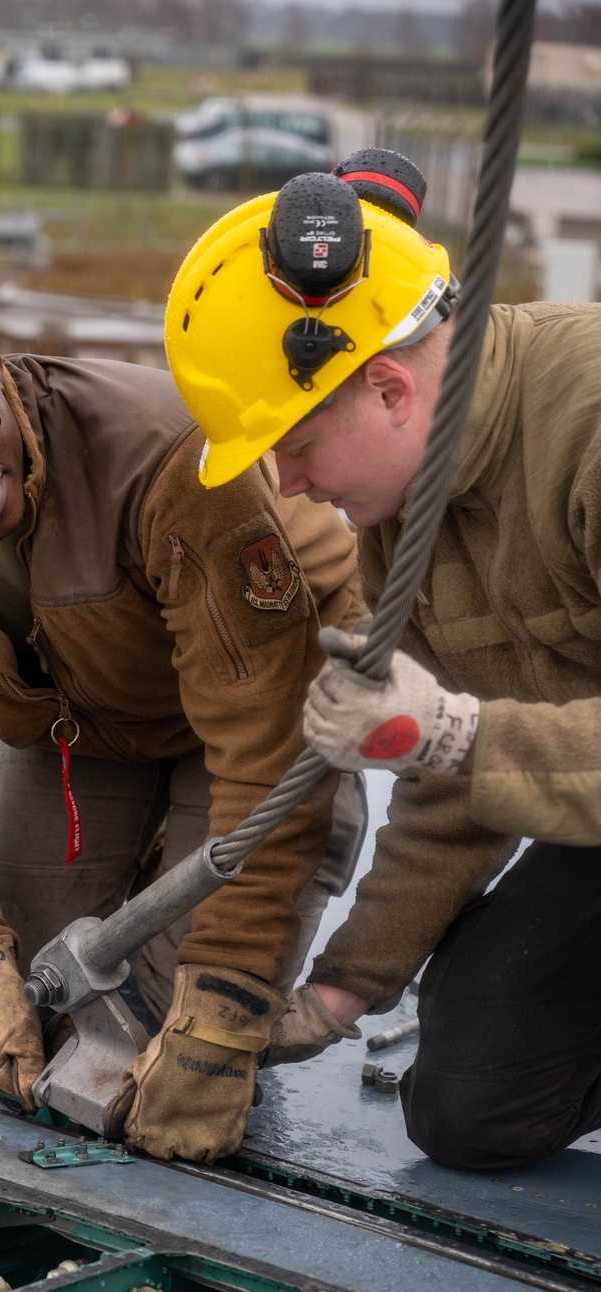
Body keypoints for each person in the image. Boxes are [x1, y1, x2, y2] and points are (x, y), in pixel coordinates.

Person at [0, 228, 366, 1164]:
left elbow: (268, 733)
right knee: (48, 1013)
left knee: (164, 1034)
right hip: (88, 738)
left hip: (273, 715)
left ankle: (189, 879)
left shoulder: (163, 456)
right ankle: (151, 856)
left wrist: (228, 998)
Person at [165, 148, 601, 1171]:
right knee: (468, 1111)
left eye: (291, 444)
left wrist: (453, 731)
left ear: (392, 391)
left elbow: (463, 743)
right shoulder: (401, 526)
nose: (285, 481)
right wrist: (338, 990)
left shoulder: (586, 424)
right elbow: (457, 785)